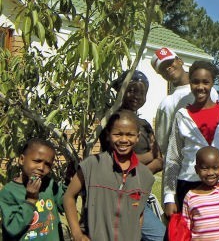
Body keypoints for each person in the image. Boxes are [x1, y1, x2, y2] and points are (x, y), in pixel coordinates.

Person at [163, 60, 219, 217]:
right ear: (190, 82)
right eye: (195, 82)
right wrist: (169, 196)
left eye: (206, 82)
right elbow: (173, 158)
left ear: (213, 83)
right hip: (188, 183)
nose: (200, 87)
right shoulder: (182, 115)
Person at [63, 109, 154, 241]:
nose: (124, 139)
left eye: (130, 135)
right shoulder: (91, 165)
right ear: (108, 135)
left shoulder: (145, 176)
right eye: (118, 134)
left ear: (137, 137)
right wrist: (77, 234)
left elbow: (138, 214)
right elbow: (68, 197)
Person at [111, 70, 165, 241]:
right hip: (120, 194)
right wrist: (150, 156)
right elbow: (117, 161)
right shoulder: (113, 121)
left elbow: (160, 160)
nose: (137, 96)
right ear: (121, 90)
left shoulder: (145, 125)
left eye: (142, 92)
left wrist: (139, 171)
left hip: (139, 191)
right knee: (160, 236)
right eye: (132, 90)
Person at [151, 47, 218, 156]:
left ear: (180, 61)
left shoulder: (210, 91)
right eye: (162, 69)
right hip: (185, 165)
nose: (168, 68)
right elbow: (162, 144)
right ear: (161, 75)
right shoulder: (167, 104)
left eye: (170, 62)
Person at [0, 138, 65, 240]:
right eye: (37, 161)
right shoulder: (9, 192)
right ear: (22, 159)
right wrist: (30, 200)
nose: (41, 167)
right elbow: (12, 229)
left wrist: (69, 183)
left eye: (47, 164)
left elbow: (63, 205)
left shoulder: (49, 185)